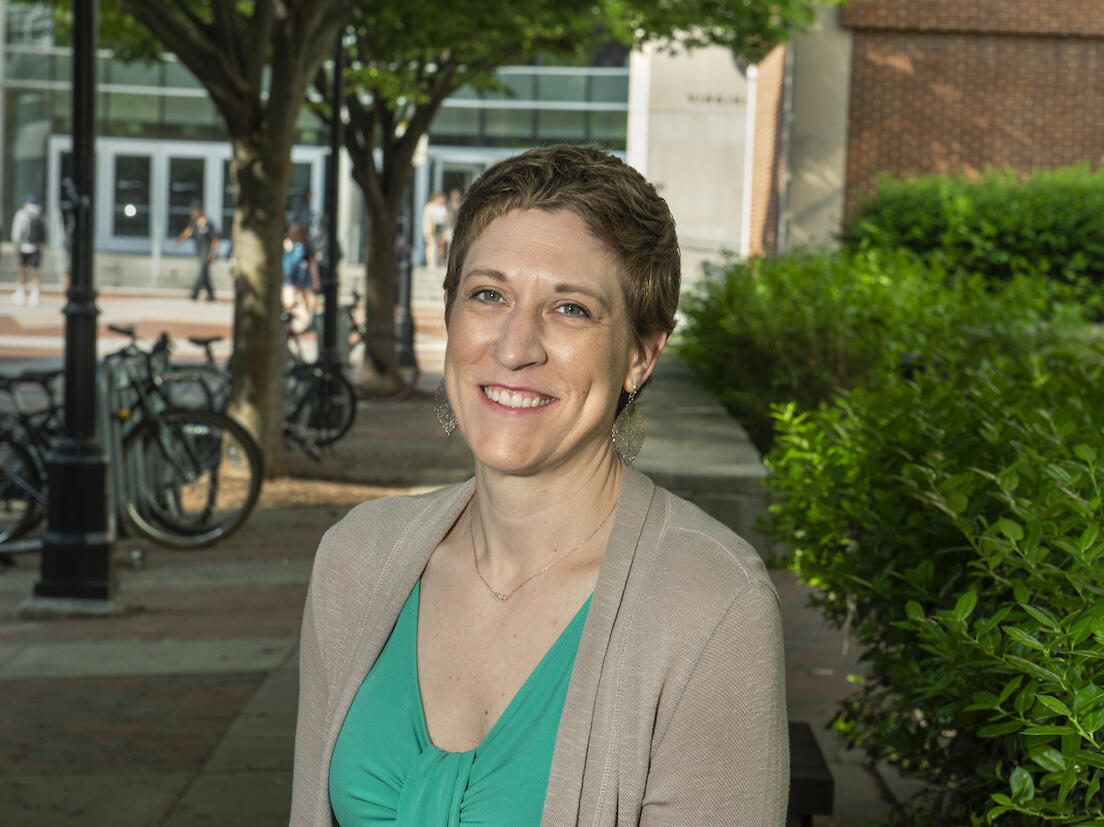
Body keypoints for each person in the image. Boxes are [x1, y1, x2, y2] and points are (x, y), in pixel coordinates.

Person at [291, 145, 788, 825]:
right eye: (489, 294)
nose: (514, 345)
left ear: (641, 355)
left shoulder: (710, 605)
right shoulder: (356, 560)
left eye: (571, 309)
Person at [175, 202, 218, 302]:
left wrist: (213, 253)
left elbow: (215, 239)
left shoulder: (209, 223)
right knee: (205, 273)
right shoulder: (194, 222)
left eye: (195, 211)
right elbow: (187, 232)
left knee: (202, 270)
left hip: (207, 251)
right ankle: (211, 295)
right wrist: (179, 241)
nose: (193, 213)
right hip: (199, 251)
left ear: (200, 211)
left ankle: (195, 293)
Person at [282, 221, 320, 330]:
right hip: (303, 277)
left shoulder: (287, 243)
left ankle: (295, 321)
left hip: (289, 277)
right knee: (305, 300)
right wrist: (316, 280)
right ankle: (305, 320)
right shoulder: (305, 244)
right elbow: (312, 263)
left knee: (289, 302)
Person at [10, 195, 46, 306]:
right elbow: (46, 232)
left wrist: (16, 246)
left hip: (24, 246)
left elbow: (17, 231)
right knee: (36, 272)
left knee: (22, 270)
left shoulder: (22, 214)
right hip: (37, 247)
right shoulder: (41, 214)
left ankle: (21, 293)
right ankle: (35, 295)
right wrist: (44, 246)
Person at [421, 190, 447, 269]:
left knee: (437, 246)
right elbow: (430, 219)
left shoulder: (440, 207)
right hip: (431, 229)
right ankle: (431, 264)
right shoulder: (430, 207)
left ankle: (437, 262)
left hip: (437, 228)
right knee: (431, 245)